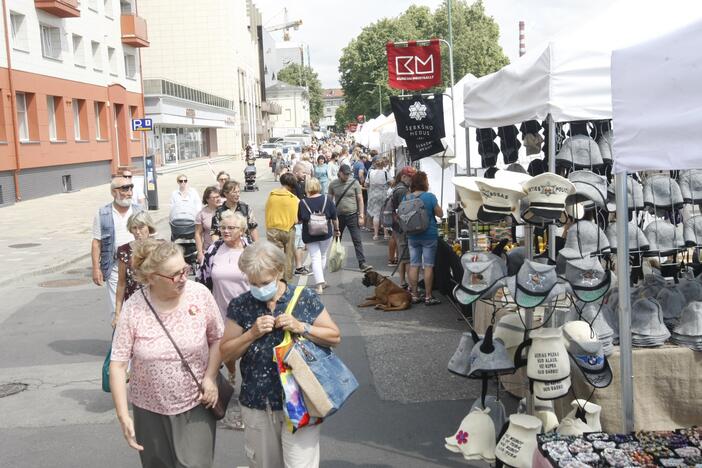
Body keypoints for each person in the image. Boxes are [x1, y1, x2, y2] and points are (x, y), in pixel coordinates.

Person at [219, 241, 341, 468]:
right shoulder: (242, 305)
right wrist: (251, 334)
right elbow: (226, 353)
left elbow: (334, 336)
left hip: (301, 401)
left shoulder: (304, 297)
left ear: (278, 271)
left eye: (264, 282)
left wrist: (301, 326)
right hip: (258, 402)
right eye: (252, 282)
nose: (258, 288)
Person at [110, 239, 224, 468]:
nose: (183, 277)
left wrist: (210, 378)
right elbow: (118, 364)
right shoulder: (134, 308)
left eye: (185, 270)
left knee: (194, 465)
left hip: (196, 401)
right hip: (149, 408)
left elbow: (217, 339)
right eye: (175, 274)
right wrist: (123, 416)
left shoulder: (199, 294)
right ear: (151, 277)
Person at [92, 176, 143, 319]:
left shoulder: (140, 211)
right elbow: (97, 242)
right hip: (115, 267)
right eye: (125, 188)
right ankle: (119, 338)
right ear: (114, 192)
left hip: (139, 264)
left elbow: (150, 237)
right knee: (118, 309)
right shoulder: (103, 213)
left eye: (131, 188)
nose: (130, 192)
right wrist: (96, 268)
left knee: (139, 307)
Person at [405, 171, 443, 306]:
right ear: (424, 182)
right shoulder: (430, 197)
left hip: (412, 235)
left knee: (414, 264)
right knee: (428, 266)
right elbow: (441, 213)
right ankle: (428, 296)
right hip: (429, 235)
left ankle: (414, 295)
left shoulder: (407, 197)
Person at [113, 211, 156, 327]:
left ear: (149, 227)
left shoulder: (160, 247)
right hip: (134, 304)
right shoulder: (124, 250)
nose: (138, 232)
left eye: (141, 227)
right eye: (134, 228)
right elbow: (121, 283)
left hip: (157, 302)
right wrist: (117, 313)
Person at [328, 164, 372, 272]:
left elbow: (360, 200)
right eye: (345, 174)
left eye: (349, 174)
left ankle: (362, 263)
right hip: (339, 217)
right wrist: (329, 216)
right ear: (340, 173)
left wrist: (361, 215)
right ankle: (335, 261)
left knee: (357, 240)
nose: (347, 176)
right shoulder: (333, 184)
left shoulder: (354, 183)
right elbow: (329, 201)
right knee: (337, 239)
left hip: (352, 215)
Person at [299, 177, 339, 294]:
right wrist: (337, 229)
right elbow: (334, 217)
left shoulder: (303, 202)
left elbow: (301, 219)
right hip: (326, 233)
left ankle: (319, 284)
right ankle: (322, 282)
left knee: (315, 257)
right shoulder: (327, 199)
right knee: (322, 256)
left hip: (310, 234)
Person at [265, 173, 300, 281]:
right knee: (288, 257)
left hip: (272, 230)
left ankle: (276, 280)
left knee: (275, 257)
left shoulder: (271, 195)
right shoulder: (294, 199)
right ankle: (286, 281)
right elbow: (296, 220)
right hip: (288, 230)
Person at [391, 166, 417, 289]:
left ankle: (402, 282)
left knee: (402, 255)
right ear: (403, 176)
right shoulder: (403, 190)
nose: (412, 180)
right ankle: (411, 286)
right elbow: (405, 210)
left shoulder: (398, 187)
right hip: (402, 226)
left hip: (397, 226)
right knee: (406, 258)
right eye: (410, 177)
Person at [366, 158, 391, 241]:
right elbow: (391, 182)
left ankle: (376, 235)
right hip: (383, 194)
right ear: (383, 165)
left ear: (375, 165)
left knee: (376, 215)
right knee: (384, 214)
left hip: (373, 195)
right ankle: (386, 234)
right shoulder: (385, 172)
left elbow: (366, 184)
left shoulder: (370, 172)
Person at [195, 186, 220, 264]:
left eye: (218, 196)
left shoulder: (224, 211)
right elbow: (198, 234)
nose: (218, 199)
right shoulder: (201, 214)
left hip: (225, 248)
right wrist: (200, 253)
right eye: (214, 197)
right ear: (207, 199)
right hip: (209, 249)